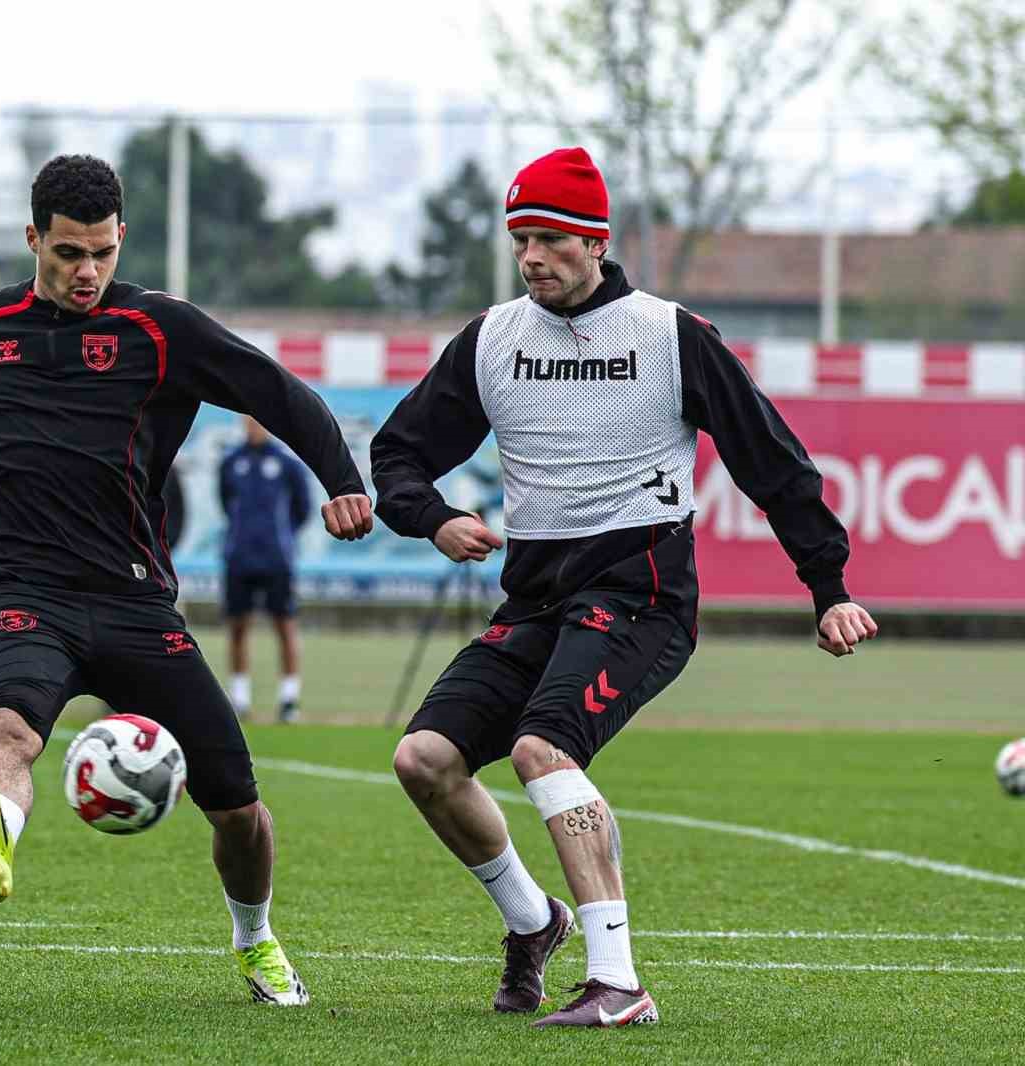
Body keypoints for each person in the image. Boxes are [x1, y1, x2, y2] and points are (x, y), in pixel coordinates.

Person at [371, 147, 878, 1028]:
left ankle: (618, 982)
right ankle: (535, 926)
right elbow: (398, 454)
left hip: (642, 594)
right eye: (521, 238)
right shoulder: (493, 338)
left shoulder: (668, 333)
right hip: (535, 601)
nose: (533, 257)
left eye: (552, 239)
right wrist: (434, 517)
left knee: (542, 750)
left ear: (596, 241)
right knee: (424, 759)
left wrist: (826, 585)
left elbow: (773, 462)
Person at [0, 154, 373, 1006]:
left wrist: (342, 478)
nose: (86, 271)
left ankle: (257, 942)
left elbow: (276, 392)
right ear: (33, 240)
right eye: (67, 253)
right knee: (8, 738)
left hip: (135, 601)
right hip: (20, 594)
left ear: (120, 238)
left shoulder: (159, 328)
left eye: (100, 252)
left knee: (239, 807)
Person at [218, 416, 311, 723]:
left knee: (284, 626)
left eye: (259, 420)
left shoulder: (286, 464)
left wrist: (279, 536)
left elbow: (302, 509)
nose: (253, 425)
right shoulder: (231, 462)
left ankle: (289, 699)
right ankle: (240, 698)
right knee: (238, 627)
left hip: (276, 559)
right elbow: (225, 502)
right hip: (239, 559)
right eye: (248, 420)